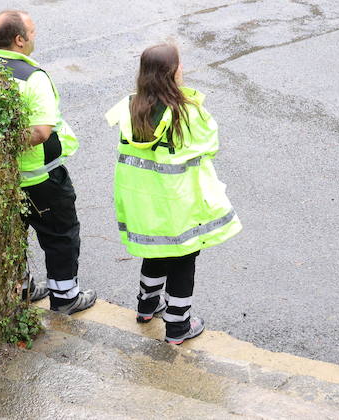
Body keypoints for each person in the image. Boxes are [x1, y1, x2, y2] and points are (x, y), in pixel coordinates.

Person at [103, 42, 240, 344]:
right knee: (182, 258)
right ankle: (178, 326)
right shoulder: (186, 113)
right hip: (178, 203)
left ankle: (146, 305)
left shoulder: (129, 107)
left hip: (142, 200)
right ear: (173, 72)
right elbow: (210, 144)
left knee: (156, 249)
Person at [0, 10, 95, 314]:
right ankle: (65, 298)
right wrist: (7, 138)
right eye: (32, 32)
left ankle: (23, 288)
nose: (35, 36)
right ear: (20, 40)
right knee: (61, 236)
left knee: (13, 235)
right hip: (42, 179)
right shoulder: (33, 78)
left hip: (5, 177)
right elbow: (40, 132)